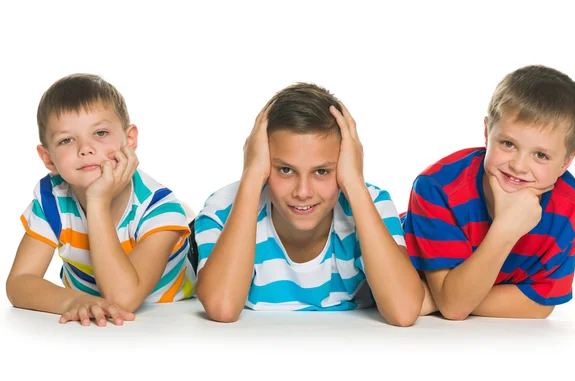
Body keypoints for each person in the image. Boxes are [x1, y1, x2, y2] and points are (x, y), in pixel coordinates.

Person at [191, 83, 423, 326]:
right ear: (262, 162)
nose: (303, 192)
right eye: (285, 170)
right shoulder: (223, 207)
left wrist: (354, 182)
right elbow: (222, 307)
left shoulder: (371, 203)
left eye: (322, 171)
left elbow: (403, 311)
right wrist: (251, 176)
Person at [6, 74, 195, 326]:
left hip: (164, 320)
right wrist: (72, 302)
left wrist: (97, 203)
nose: (85, 148)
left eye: (100, 132)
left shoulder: (160, 208)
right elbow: (20, 281)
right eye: (66, 140)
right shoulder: (51, 199)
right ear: (48, 158)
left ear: (129, 140)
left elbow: (123, 299)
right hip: (94, 326)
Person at [402, 65, 575, 319]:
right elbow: (454, 308)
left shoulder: (568, 206)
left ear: (566, 161)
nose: (519, 166)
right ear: (488, 133)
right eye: (508, 144)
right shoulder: (437, 189)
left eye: (541, 155)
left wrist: (439, 298)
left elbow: (541, 304)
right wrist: (505, 229)